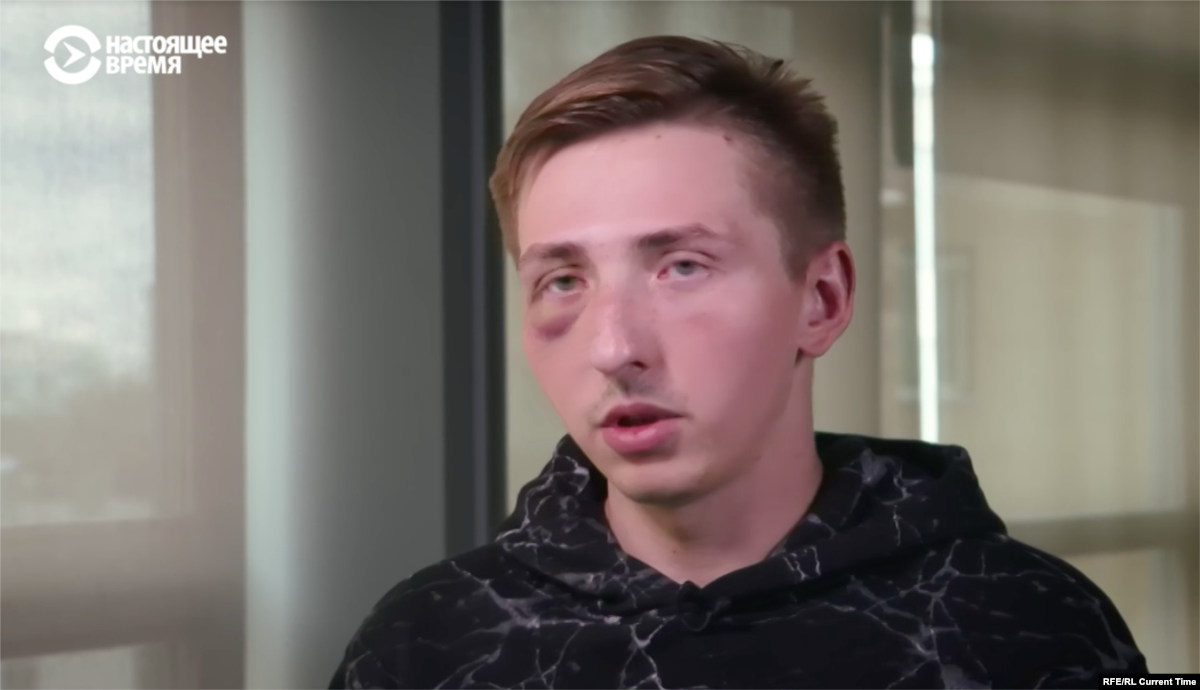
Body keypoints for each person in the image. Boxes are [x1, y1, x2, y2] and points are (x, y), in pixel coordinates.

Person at [328, 35, 1146, 689]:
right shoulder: (423, 645)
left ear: (821, 299)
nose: (613, 349)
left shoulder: (1035, 626)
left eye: (682, 267)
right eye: (563, 280)